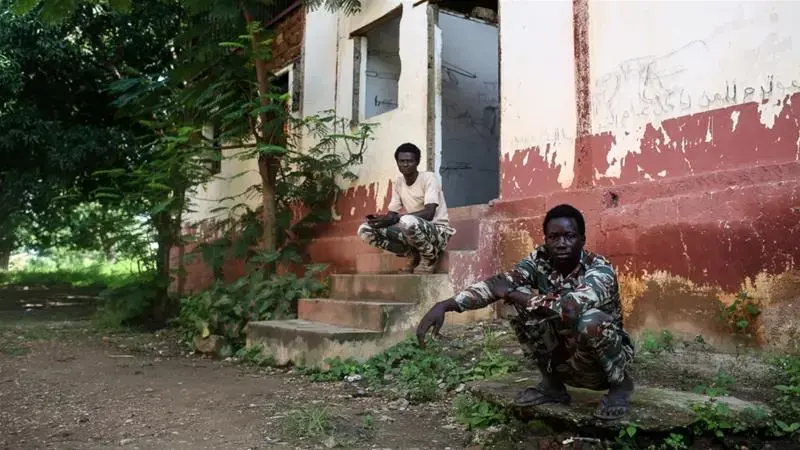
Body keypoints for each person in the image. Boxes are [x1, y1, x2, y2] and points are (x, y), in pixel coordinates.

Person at [415, 204, 635, 419]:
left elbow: (570, 309)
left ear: (582, 240)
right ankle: (552, 386)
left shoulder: (599, 270)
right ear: (546, 239)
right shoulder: (540, 260)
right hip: (565, 358)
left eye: (569, 236)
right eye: (554, 237)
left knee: (590, 321)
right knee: (518, 304)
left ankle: (620, 386)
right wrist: (445, 305)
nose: (561, 244)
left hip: (601, 364)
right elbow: (499, 285)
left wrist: (514, 294)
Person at [357, 143, 455, 274]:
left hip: (438, 233)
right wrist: (380, 220)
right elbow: (393, 215)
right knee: (365, 229)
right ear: (397, 163)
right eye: (402, 161)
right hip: (412, 230)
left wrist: (397, 218)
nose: (405, 164)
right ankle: (413, 255)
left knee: (406, 221)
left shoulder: (428, 178)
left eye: (410, 161)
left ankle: (430, 257)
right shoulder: (399, 183)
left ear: (417, 162)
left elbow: (429, 213)